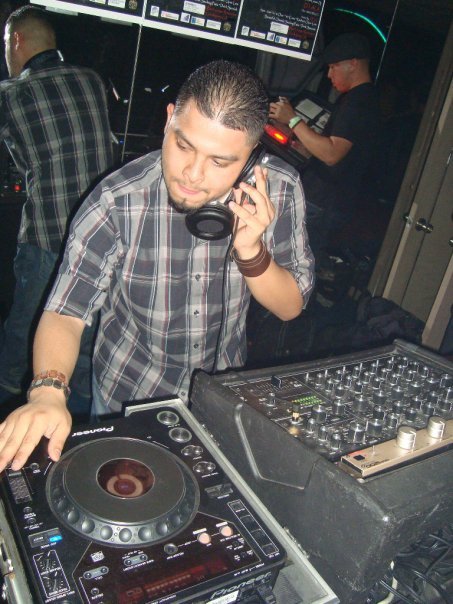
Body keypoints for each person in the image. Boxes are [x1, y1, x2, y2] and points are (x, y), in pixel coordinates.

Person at [0, 59, 314, 472]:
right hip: (126, 397)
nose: (192, 174)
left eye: (220, 162)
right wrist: (47, 391)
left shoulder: (280, 190)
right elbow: (66, 311)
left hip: (220, 398)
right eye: (183, 145)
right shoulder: (116, 200)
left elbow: (290, 306)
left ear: (252, 157)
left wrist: (251, 250)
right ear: (169, 120)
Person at [0, 6, 115, 407]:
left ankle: (10, 409)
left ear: (16, 41)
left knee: (23, 336)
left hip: (46, 239)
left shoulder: (10, 95)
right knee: (82, 339)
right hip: (101, 238)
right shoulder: (92, 80)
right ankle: (75, 421)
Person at [269, 32, 381, 254]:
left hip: (324, 200)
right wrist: (304, 146)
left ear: (353, 64)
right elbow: (335, 151)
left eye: (333, 67)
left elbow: (332, 154)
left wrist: (293, 120)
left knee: (285, 256)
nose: (329, 74)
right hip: (326, 199)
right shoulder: (358, 99)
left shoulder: (359, 102)